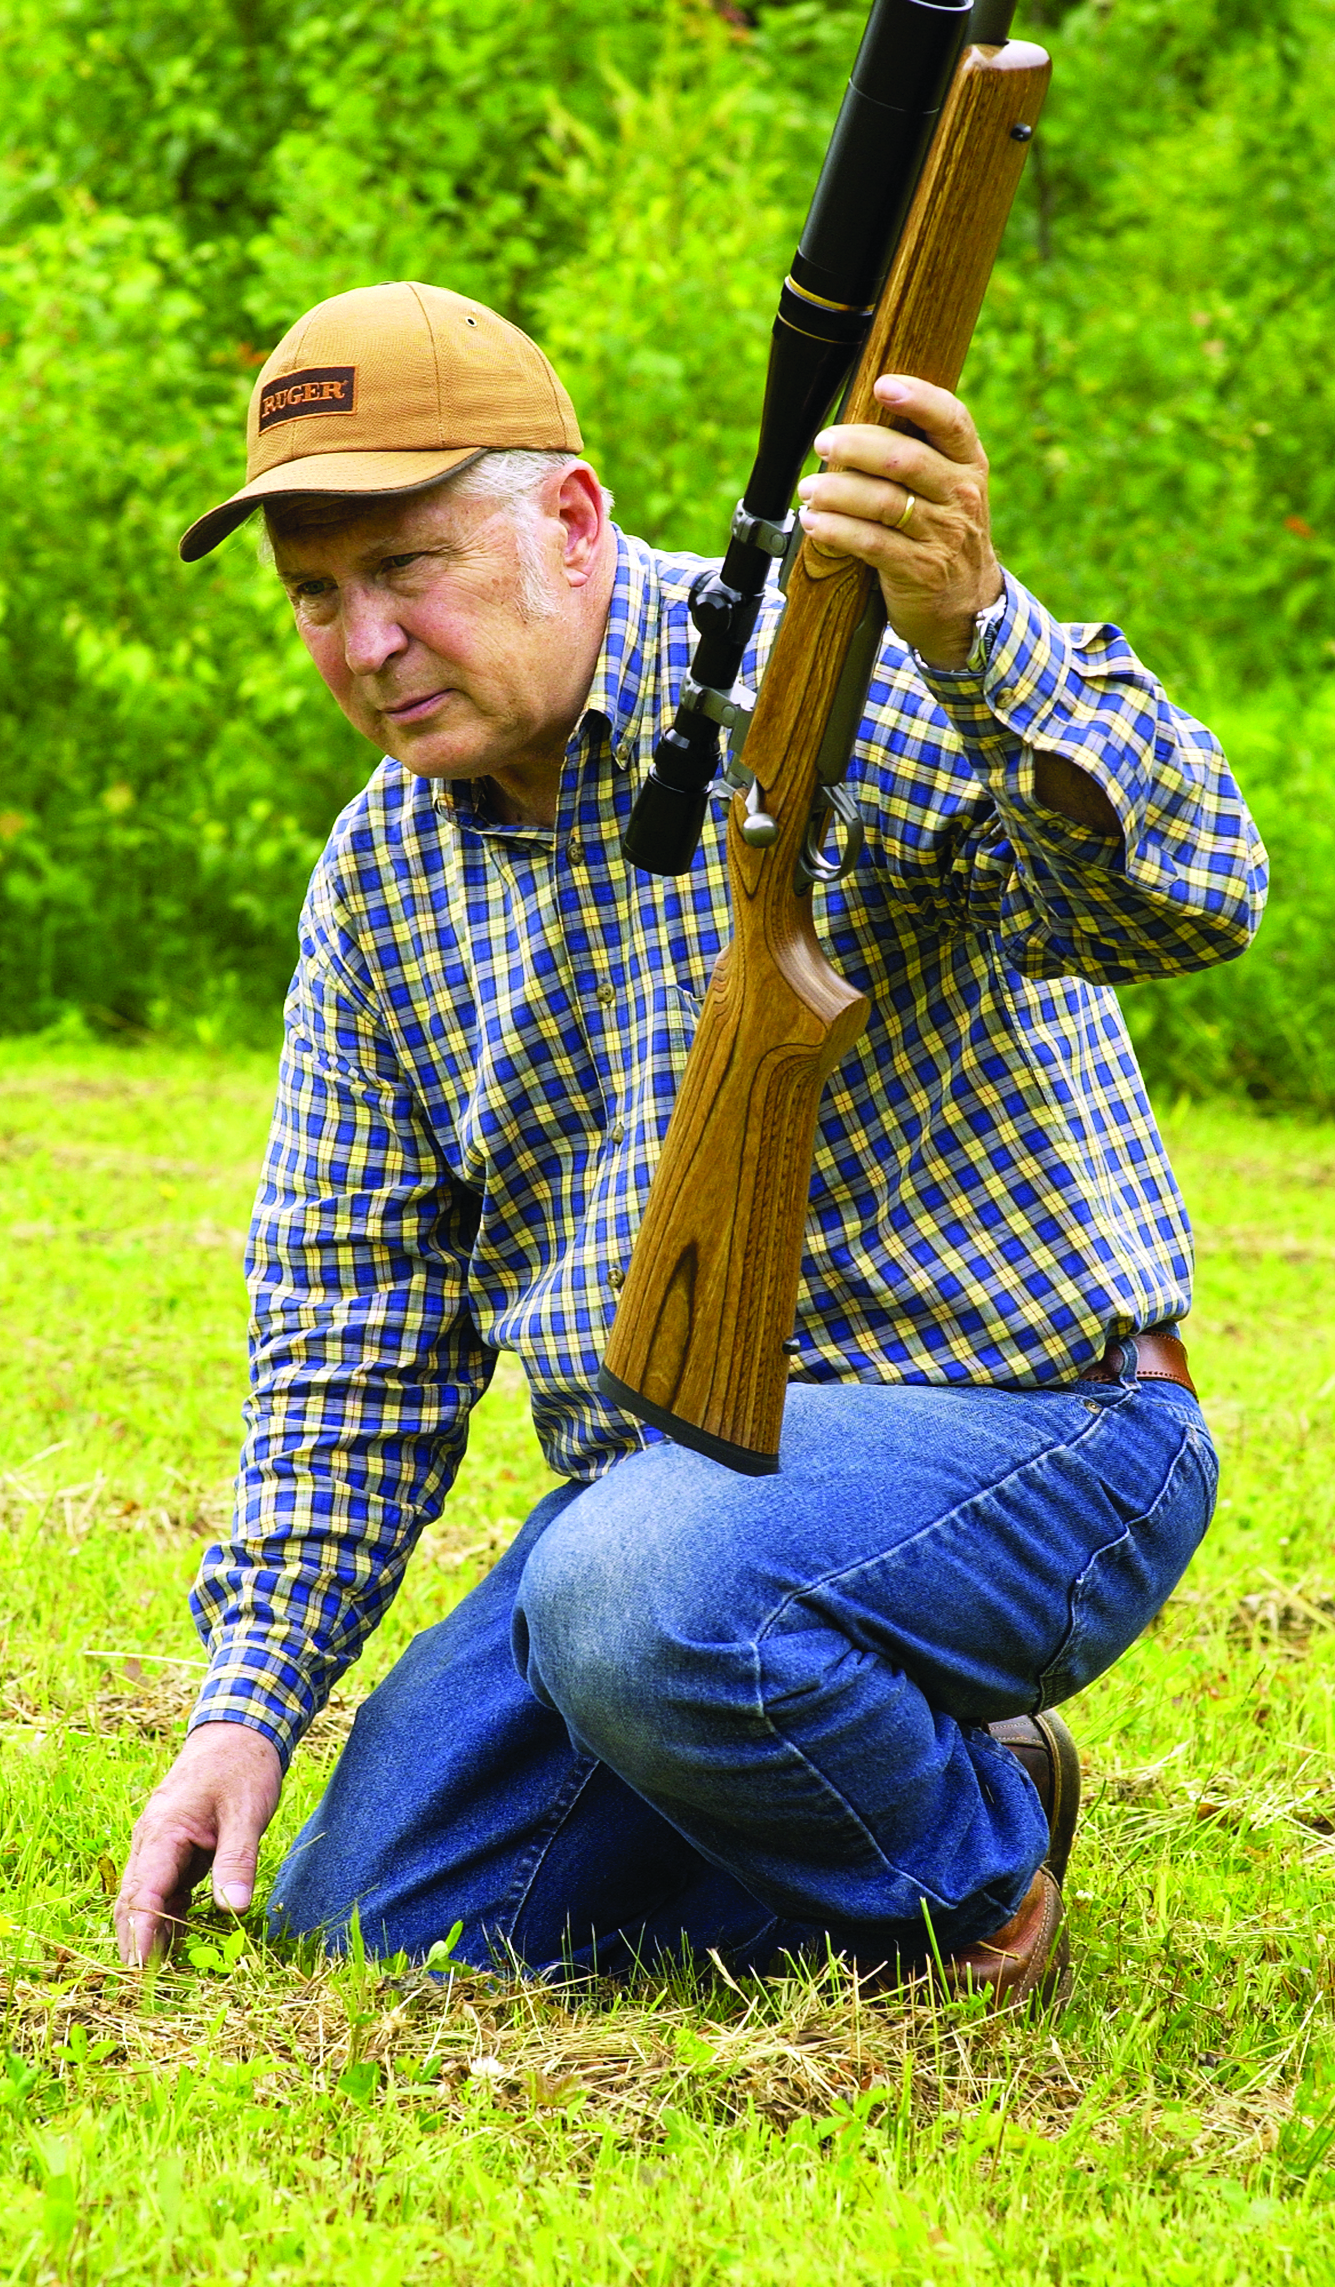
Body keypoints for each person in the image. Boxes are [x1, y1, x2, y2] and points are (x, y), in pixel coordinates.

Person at [114, 281, 1264, 2003]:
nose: (365, 646)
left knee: (636, 1593)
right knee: (376, 1921)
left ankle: (973, 1878)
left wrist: (972, 628)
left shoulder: (843, 668)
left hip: (1044, 1429)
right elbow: (351, 1334)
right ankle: (903, 1757)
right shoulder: (375, 884)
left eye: (407, 568)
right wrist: (246, 1704)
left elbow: (1189, 897)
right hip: (666, 1504)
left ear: (569, 521)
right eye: (317, 598)